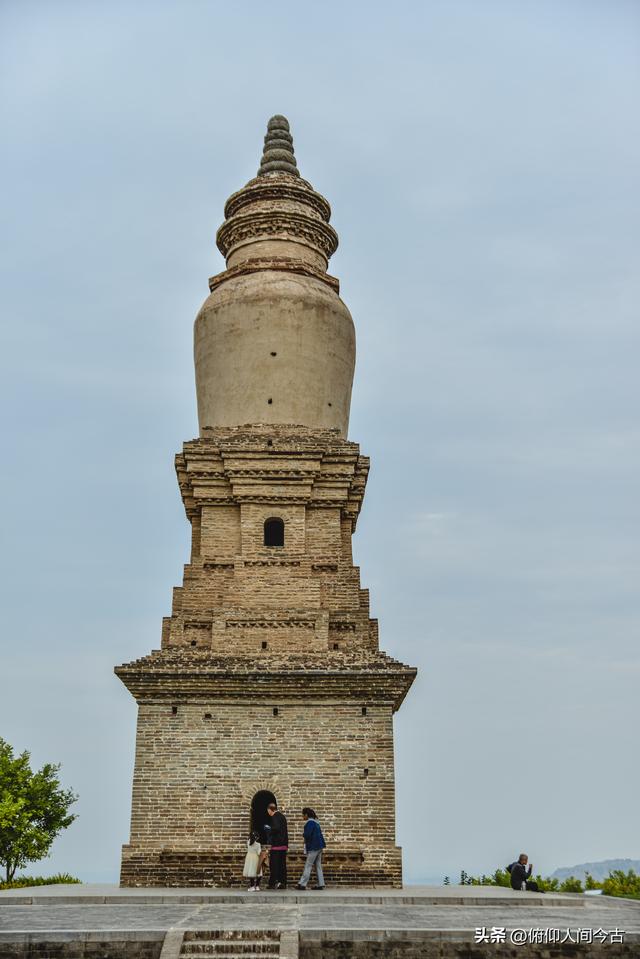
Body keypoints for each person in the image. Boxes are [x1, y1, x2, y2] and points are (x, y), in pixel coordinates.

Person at [296, 807, 326, 890]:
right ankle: (321, 884)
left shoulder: (309, 823)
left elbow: (307, 835)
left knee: (308, 865)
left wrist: (303, 835)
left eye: (303, 815)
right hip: (319, 846)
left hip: (313, 847)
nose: (302, 817)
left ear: (306, 815)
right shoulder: (316, 822)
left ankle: (302, 884)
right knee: (318, 865)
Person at [266, 802, 288, 889]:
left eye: (268, 811)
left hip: (277, 845)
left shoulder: (274, 817)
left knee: (274, 865)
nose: (268, 813)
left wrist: (269, 829)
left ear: (270, 810)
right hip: (283, 845)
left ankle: (272, 883)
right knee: (282, 865)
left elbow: (276, 828)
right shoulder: (282, 816)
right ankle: (283, 883)